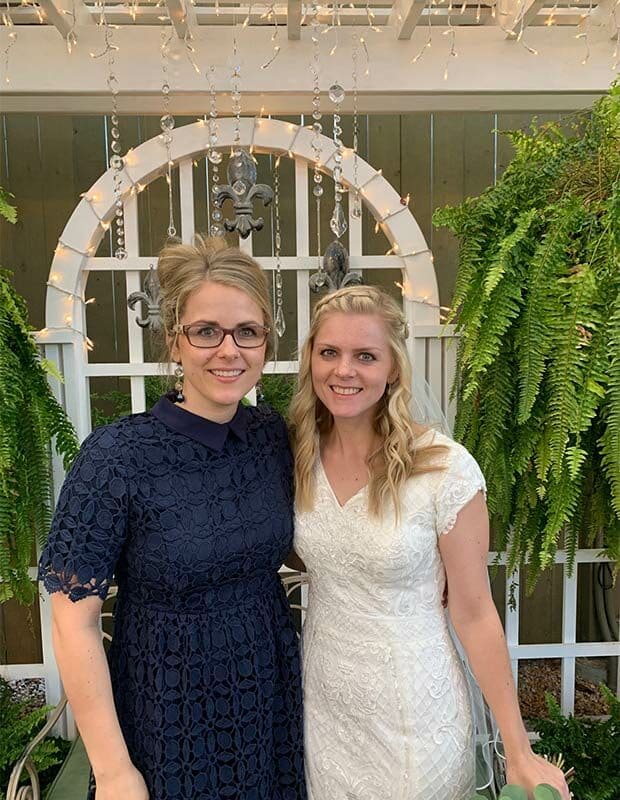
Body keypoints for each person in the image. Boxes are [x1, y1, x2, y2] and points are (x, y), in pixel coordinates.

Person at [39, 236, 306, 800]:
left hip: (268, 700)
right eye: (207, 331)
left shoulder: (272, 439)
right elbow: (73, 621)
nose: (228, 351)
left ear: (265, 342)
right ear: (174, 341)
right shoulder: (116, 456)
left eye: (247, 332)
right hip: (166, 714)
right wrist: (113, 770)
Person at [288, 285, 569, 800]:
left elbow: (475, 612)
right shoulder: (296, 455)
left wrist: (518, 747)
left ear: (393, 367)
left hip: (415, 708)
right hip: (326, 706)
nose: (343, 370)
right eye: (329, 352)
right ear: (310, 359)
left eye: (365, 356)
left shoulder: (444, 468)